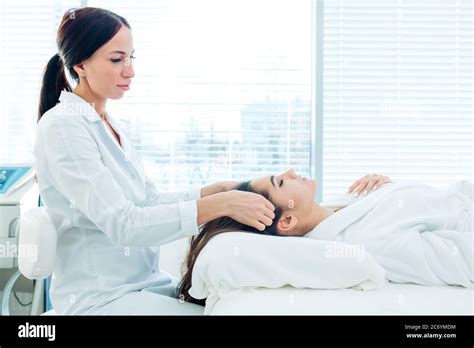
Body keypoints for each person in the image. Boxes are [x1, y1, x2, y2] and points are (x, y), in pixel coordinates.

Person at [35, 7, 279, 315]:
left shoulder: (109, 125)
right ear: (81, 64)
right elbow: (124, 224)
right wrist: (223, 205)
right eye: (116, 59)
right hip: (101, 299)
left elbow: (146, 200)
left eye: (131, 58)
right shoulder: (63, 127)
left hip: (143, 285)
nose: (130, 71)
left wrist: (211, 191)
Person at [178, 169, 473, 306]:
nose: (291, 171)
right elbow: (461, 260)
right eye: (280, 182)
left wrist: (390, 186)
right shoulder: (368, 241)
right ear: (287, 220)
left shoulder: (347, 204)